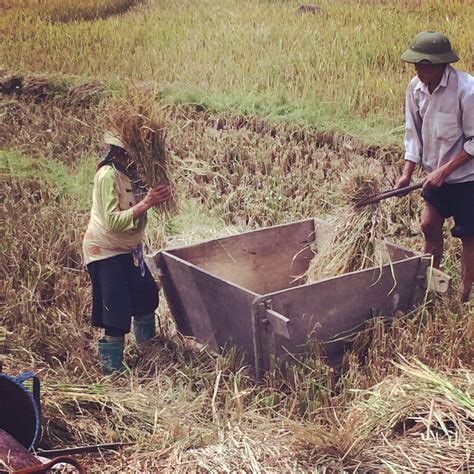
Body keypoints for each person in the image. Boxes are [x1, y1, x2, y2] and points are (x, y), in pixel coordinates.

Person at [83, 132, 171, 374]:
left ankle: (149, 352)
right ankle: (112, 371)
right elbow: (112, 222)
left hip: (130, 249)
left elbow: (146, 200)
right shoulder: (107, 175)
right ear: (121, 151)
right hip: (105, 251)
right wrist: (147, 203)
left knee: (146, 296)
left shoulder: (135, 172)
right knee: (116, 312)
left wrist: (161, 195)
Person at [396, 31, 474, 303]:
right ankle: (431, 284)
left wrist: (445, 170)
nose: (417, 68)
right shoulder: (415, 88)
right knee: (429, 226)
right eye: (415, 63)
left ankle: (463, 294)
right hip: (434, 176)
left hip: (467, 178)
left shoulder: (467, 90)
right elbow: (412, 134)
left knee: (469, 236)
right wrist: (407, 173)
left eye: (423, 64)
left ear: (441, 64)